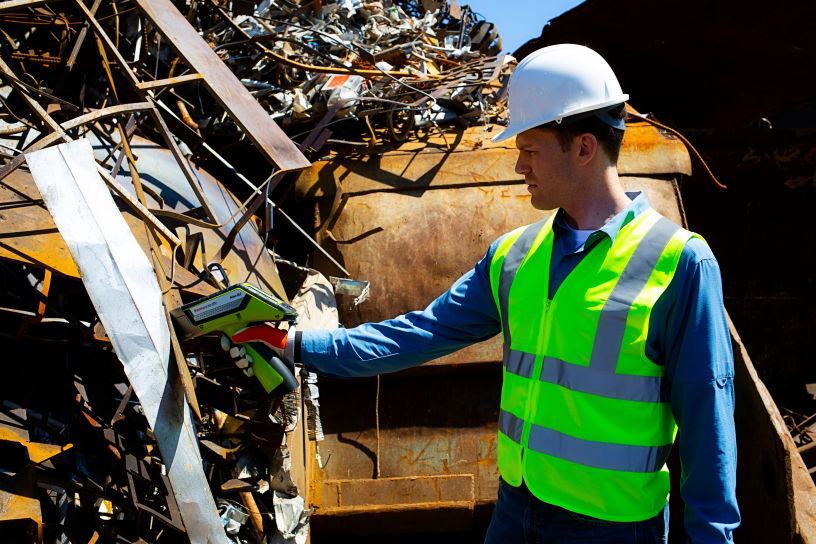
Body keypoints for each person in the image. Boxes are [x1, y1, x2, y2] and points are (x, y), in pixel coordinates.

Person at [238, 44, 740, 543]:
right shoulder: (515, 256)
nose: (519, 165)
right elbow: (418, 334)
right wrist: (298, 345)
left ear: (584, 148)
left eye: (530, 150)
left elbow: (707, 424)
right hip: (517, 511)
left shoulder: (679, 263)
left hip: (613, 529)